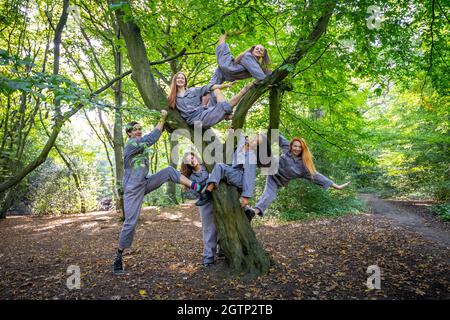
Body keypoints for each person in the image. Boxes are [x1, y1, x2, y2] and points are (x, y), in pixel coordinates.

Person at [113, 111, 205, 275]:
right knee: (131, 222)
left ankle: (199, 188)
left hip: (144, 182)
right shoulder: (131, 145)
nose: (138, 131)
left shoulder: (140, 145)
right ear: (129, 133)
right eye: (135, 129)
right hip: (133, 190)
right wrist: (162, 117)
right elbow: (152, 138)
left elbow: (151, 138)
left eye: (140, 128)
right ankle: (118, 257)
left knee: (169, 171)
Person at [244, 134, 351, 220]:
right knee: (263, 139)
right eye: (295, 146)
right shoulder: (287, 148)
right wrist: (271, 129)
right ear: (291, 146)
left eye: (300, 147)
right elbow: (278, 136)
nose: (297, 148)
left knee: (269, 195)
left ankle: (253, 212)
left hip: (278, 180)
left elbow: (318, 176)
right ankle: (249, 146)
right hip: (271, 166)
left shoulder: (304, 167)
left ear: (303, 149)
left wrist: (337, 186)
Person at [195, 129, 270, 222]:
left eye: (256, 142)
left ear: (257, 147)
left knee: (220, 166)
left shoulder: (251, 156)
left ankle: (208, 193)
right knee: (219, 166)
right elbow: (239, 132)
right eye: (255, 137)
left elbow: (249, 176)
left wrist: (246, 196)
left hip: (241, 178)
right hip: (233, 172)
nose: (253, 140)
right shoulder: (242, 142)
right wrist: (231, 130)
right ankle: (207, 193)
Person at [167, 72, 253, 128]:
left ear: (185, 81)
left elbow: (209, 87)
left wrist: (225, 86)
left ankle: (241, 94)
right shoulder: (171, 97)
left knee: (216, 90)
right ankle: (229, 112)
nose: (180, 80)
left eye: (182, 78)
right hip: (194, 120)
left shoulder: (193, 90)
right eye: (178, 78)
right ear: (175, 80)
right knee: (222, 107)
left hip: (204, 112)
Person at [180, 152, 218, 266]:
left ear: (196, 156)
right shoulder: (190, 177)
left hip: (219, 199)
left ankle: (222, 251)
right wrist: (205, 188)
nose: (192, 160)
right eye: (189, 161)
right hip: (205, 202)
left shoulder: (208, 166)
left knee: (222, 225)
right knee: (208, 229)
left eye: (192, 157)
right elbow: (194, 193)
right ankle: (208, 257)